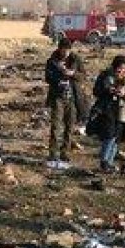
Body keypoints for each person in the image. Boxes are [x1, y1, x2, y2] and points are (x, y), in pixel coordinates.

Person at [88, 55, 125, 173]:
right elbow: (96, 91)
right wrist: (109, 90)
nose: (121, 71)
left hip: (122, 112)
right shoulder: (105, 76)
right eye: (119, 68)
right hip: (107, 109)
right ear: (114, 67)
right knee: (109, 135)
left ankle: (110, 163)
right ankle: (104, 161)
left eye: (124, 69)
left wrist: (124, 94)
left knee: (117, 137)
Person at [43, 38, 76, 168]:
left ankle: (65, 152)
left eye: (68, 50)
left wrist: (72, 74)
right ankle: (53, 153)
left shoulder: (75, 60)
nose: (66, 52)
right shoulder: (52, 61)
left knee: (69, 126)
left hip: (72, 97)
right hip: (57, 97)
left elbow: (82, 75)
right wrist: (59, 78)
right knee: (56, 126)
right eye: (64, 49)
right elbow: (48, 77)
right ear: (59, 48)